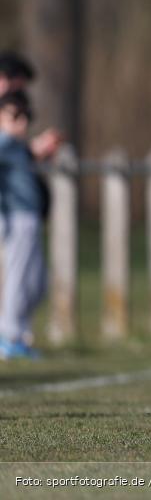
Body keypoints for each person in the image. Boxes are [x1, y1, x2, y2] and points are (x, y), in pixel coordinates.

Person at [0, 89, 61, 359]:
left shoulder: (14, 146)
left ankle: (19, 336)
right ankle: (8, 337)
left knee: (36, 285)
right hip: (16, 218)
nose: (22, 122)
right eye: (15, 116)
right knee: (19, 279)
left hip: (31, 220)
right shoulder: (4, 142)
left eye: (26, 116)